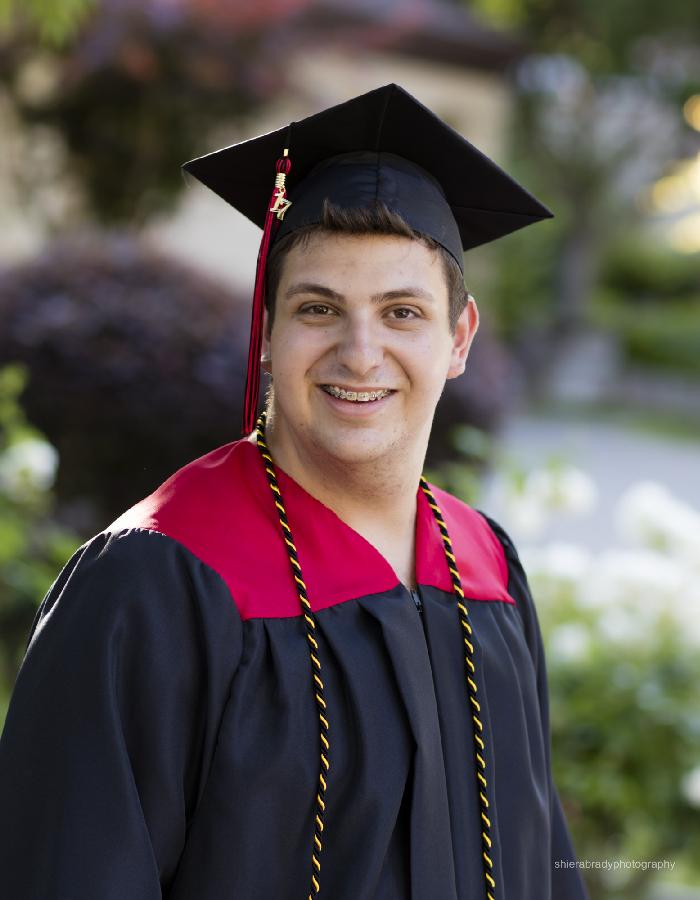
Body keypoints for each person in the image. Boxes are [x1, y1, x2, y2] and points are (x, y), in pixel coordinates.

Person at [0, 83, 589, 899]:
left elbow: (538, 857)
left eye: (402, 313)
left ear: (459, 339)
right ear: (268, 332)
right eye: (319, 309)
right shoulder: (155, 583)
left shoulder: (487, 566)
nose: (360, 353)